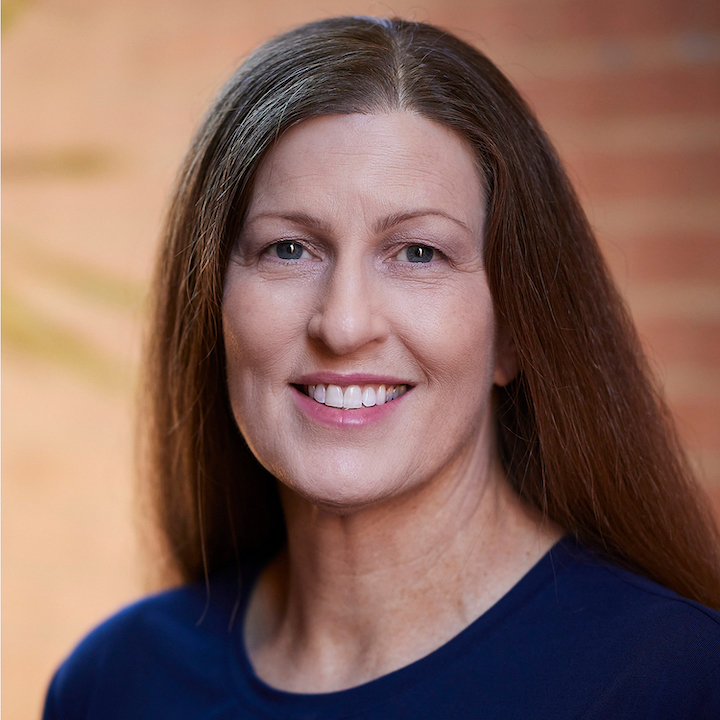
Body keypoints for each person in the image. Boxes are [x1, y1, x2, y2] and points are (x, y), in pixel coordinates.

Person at [43, 16, 720, 719]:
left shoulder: (670, 682)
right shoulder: (115, 683)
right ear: (213, 306)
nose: (343, 324)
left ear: (516, 330)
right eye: (289, 249)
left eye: (418, 253)